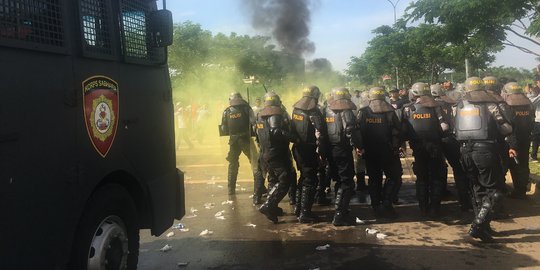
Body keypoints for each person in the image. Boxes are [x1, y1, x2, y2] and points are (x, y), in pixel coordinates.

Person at [455, 77, 515, 242]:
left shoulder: (459, 106)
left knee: (477, 189)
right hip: (485, 150)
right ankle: (479, 224)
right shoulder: (490, 105)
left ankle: (484, 227)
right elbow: (506, 128)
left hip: (465, 151)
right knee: (495, 191)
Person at [402, 82, 449, 218]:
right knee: (436, 177)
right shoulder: (436, 107)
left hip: (417, 148)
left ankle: (423, 208)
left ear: (414, 93)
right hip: (435, 147)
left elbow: (403, 131)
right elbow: (445, 127)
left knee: (421, 178)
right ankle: (435, 209)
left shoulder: (407, 109)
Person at [357, 87, 403, 218]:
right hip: (388, 151)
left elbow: (357, 131)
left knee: (374, 179)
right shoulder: (390, 112)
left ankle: (376, 206)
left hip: (369, 152)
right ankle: (387, 203)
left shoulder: (363, 112)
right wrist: (395, 148)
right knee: (394, 177)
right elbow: (397, 132)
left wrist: (360, 147)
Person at [290, 85, 329, 223]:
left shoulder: (296, 110)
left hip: (298, 148)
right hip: (309, 149)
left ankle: (299, 208)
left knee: (303, 178)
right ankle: (305, 213)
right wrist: (322, 153)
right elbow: (321, 133)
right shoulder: (314, 112)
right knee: (310, 180)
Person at [324, 87, 363, 226]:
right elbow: (351, 130)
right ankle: (339, 215)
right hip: (343, 150)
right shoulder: (347, 112)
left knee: (340, 181)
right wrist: (359, 146)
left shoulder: (326, 110)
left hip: (330, 150)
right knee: (347, 182)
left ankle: (342, 209)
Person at [431, 83, 471, 211]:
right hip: (450, 139)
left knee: (437, 169)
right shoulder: (450, 104)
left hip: (434, 141)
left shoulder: (426, 106)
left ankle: (435, 203)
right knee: (459, 169)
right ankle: (464, 201)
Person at [256, 92, 295, 223]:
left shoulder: (260, 114)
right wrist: (293, 138)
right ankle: (269, 206)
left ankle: (272, 207)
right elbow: (276, 131)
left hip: (265, 152)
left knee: (273, 179)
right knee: (285, 179)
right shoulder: (275, 114)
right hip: (276, 152)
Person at [219, 92, 264, 199]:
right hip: (246, 139)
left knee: (233, 164)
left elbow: (224, 129)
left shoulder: (226, 111)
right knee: (255, 163)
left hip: (233, 142)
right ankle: (260, 188)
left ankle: (231, 189)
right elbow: (254, 124)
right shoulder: (246, 108)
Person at [502, 82, 534, 199]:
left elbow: (507, 125)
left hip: (510, 140)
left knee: (505, 164)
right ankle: (521, 190)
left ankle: (502, 190)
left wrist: (510, 143)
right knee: (523, 164)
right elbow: (532, 121)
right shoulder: (528, 103)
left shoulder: (506, 104)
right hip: (525, 139)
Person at [529, 78, 540, 161]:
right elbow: (532, 103)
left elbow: (531, 103)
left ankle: (534, 155)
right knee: (536, 138)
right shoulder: (536, 91)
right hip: (538, 120)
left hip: (538, 120)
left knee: (536, 138)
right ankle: (534, 155)